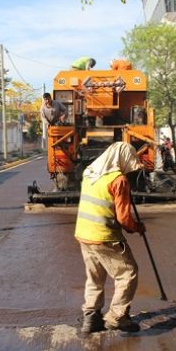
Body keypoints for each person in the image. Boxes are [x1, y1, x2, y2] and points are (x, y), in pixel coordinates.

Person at [74, 142, 146, 334]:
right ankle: (117, 316)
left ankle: (91, 318)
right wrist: (137, 227)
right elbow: (124, 219)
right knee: (128, 273)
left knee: (95, 277)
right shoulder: (119, 180)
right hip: (105, 236)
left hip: (84, 234)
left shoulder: (90, 173)